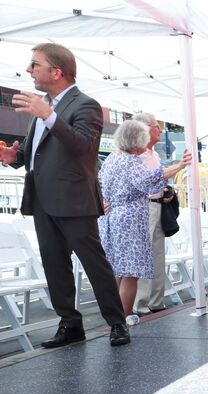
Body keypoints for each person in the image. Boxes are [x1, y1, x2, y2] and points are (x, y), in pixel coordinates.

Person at [0, 43, 130, 347]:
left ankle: (117, 322)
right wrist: (13, 158)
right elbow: (40, 151)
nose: (30, 70)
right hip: (43, 199)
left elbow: (84, 147)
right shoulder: (42, 105)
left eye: (35, 64)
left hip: (73, 199)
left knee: (93, 263)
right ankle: (70, 324)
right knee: (54, 264)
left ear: (56, 71)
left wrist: (49, 116)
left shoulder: (85, 104)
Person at [98, 120, 190, 325]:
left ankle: (114, 314)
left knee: (117, 268)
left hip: (111, 216)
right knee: (131, 271)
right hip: (130, 217)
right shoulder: (131, 161)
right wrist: (180, 165)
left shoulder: (112, 158)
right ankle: (124, 315)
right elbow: (150, 180)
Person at [131, 112, 169, 315]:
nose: (160, 130)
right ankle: (141, 302)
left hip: (158, 204)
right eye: (156, 126)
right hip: (144, 206)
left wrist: (167, 191)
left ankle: (156, 300)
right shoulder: (136, 155)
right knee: (145, 254)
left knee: (158, 253)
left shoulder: (154, 155)